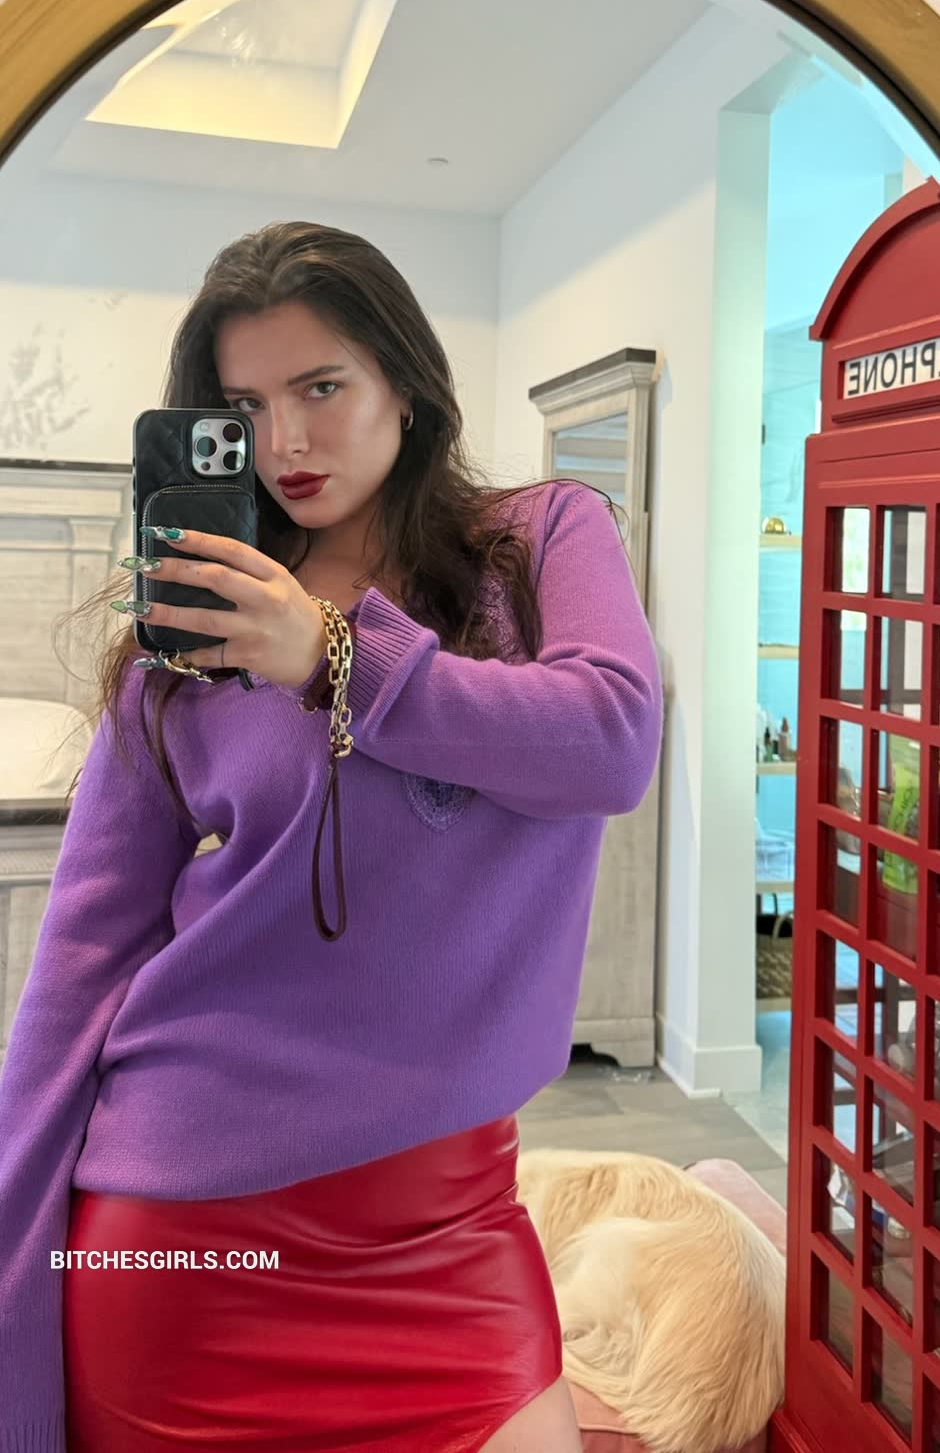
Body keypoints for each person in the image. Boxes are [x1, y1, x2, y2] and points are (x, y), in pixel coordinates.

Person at [0, 220, 663, 1453]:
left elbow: (610, 742)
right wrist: (15, 1316)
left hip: (452, 1221)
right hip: (186, 1234)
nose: (286, 444)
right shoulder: (184, 645)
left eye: (320, 388)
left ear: (404, 385)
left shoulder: (538, 540)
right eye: (245, 408)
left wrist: (336, 654)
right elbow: (77, 971)